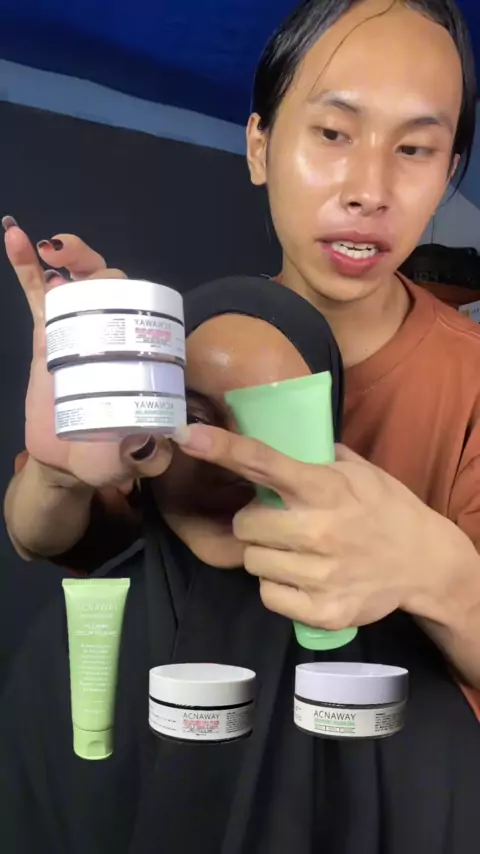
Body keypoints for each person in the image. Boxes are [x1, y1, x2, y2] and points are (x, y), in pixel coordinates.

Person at [3, 0, 480, 850]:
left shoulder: (470, 383)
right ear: (259, 146)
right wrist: (58, 471)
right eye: (332, 133)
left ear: (448, 173)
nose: (370, 190)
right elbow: (46, 541)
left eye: (415, 149)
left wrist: (439, 574)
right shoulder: (182, 353)